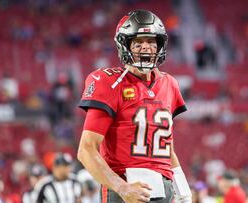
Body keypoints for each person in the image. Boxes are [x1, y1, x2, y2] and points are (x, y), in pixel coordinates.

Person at [77, 9, 192, 203]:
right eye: (138, 42)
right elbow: (86, 150)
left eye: (151, 42)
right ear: (125, 45)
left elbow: (167, 148)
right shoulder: (110, 82)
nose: (146, 48)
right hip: (125, 186)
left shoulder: (169, 84)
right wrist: (122, 188)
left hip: (164, 187)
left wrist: (184, 191)